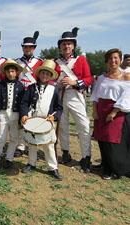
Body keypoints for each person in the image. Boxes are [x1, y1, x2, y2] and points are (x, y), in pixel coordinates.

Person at [54, 27, 92, 172]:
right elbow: (51, 79)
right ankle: (65, 153)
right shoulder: (56, 62)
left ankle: (86, 157)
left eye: (69, 43)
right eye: (63, 44)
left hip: (76, 95)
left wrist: (74, 83)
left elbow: (88, 78)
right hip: (61, 96)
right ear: (60, 46)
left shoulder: (81, 60)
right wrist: (59, 83)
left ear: (73, 46)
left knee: (83, 126)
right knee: (62, 127)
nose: (66, 46)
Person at [20, 60, 63, 180]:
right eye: (43, 73)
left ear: (50, 76)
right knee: (33, 144)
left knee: (49, 145)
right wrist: (24, 114)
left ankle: (52, 167)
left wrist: (54, 117)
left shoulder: (54, 89)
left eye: (47, 74)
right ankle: (31, 163)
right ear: (39, 74)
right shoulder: (31, 88)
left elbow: (59, 108)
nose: (45, 76)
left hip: (47, 121)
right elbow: (24, 103)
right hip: (33, 119)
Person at [91, 48, 130, 179]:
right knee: (102, 139)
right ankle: (105, 164)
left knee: (112, 141)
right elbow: (95, 95)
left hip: (116, 111)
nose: (113, 61)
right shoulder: (102, 78)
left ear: (120, 60)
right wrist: (95, 111)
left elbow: (126, 96)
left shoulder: (126, 77)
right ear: (107, 61)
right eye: (110, 58)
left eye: (115, 58)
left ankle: (115, 170)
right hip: (101, 110)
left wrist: (113, 112)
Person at [0, 59, 25, 169]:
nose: (10, 74)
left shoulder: (21, 86)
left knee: (14, 138)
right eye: (8, 71)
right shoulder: (0, 85)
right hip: (3, 114)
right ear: (5, 72)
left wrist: (21, 118)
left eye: (12, 71)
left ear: (16, 73)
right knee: (1, 137)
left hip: (15, 116)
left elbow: (22, 104)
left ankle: (9, 158)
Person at [15, 31, 43, 157]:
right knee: (21, 119)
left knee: (34, 119)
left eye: (30, 47)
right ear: (22, 47)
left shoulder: (39, 62)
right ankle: (20, 146)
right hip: (20, 93)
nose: (27, 49)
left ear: (34, 48)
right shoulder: (17, 62)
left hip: (33, 92)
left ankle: (33, 146)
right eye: (25, 47)